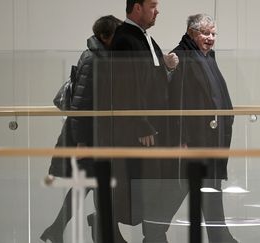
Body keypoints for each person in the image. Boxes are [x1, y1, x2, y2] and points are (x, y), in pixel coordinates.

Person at [40, 15, 123, 243]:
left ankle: (58, 230)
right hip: (89, 138)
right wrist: (82, 142)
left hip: (95, 135)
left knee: (91, 186)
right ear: (105, 37)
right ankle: (103, 232)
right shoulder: (92, 59)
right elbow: (80, 106)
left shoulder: (100, 56)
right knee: (95, 185)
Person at [160, 13, 238, 242]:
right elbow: (177, 101)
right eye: (206, 33)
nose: (211, 38)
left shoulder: (207, 56)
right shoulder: (181, 56)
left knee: (209, 186)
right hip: (194, 138)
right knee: (183, 189)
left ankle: (219, 235)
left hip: (210, 136)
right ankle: (154, 230)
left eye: (213, 33)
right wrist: (181, 137)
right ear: (192, 33)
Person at [109, 0, 178, 242]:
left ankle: (153, 233)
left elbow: (150, 80)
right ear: (136, 8)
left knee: (154, 185)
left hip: (152, 127)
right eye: (152, 5)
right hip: (141, 130)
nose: (157, 10)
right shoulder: (125, 39)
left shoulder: (142, 37)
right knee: (145, 187)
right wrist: (141, 122)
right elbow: (126, 87)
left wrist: (167, 67)